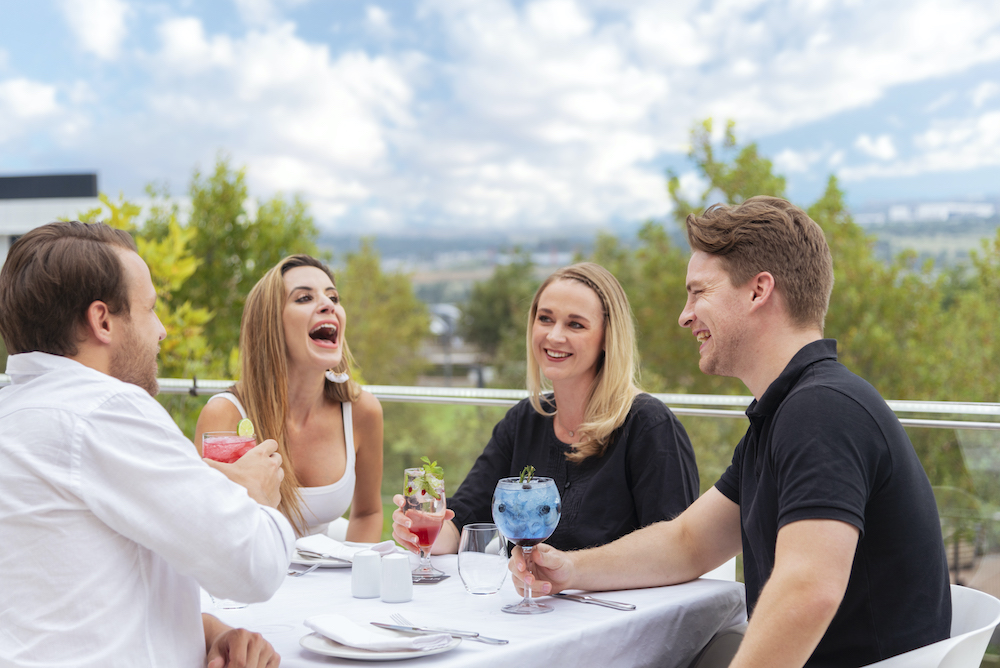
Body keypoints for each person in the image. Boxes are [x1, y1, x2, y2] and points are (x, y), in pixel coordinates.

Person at [511, 197, 952, 667]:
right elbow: (687, 543)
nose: (685, 316)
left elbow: (809, 589)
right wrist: (569, 569)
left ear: (759, 290)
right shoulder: (785, 414)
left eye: (699, 292)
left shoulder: (820, 412)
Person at [0, 221, 293, 668]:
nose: (161, 330)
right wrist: (255, 495)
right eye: (150, 309)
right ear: (103, 321)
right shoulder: (106, 410)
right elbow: (255, 567)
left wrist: (208, 632)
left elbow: (69, 597)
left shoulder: (14, 413)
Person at [393, 262, 699, 554]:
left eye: (575, 324)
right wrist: (422, 528)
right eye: (545, 319)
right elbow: (461, 523)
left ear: (608, 337)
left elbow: (673, 552)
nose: (554, 336)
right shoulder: (524, 420)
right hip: (525, 592)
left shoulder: (649, 426)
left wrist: (574, 572)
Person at [195, 254, 384, 540]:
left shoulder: (362, 411)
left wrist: (355, 566)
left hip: (330, 568)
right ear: (270, 324)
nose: (329, 305)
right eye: (304, 298)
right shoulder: (225, 415)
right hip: (255, 568)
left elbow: (367, 513)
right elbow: (205, 525)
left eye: (333, 297)